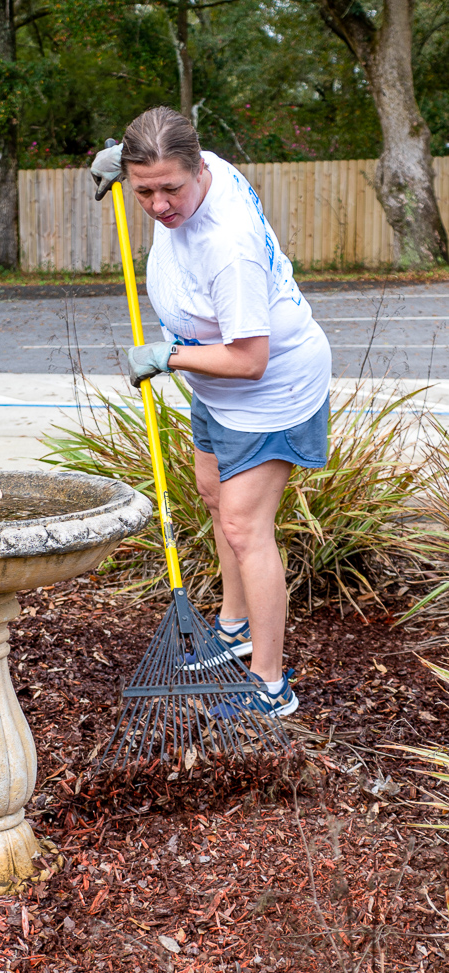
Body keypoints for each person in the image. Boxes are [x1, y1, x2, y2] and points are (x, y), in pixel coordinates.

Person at [91, 107, 331, 718]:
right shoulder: (196, 162)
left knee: (247, 528)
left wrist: (169, 356)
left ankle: (271, 685)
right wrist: (121, 164)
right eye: (143, 190)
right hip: (213, 382)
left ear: (199, 170)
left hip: (268, 389)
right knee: (214, 498)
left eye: (171, 188)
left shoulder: (229, 246)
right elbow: (158, 152)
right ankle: (234, 630)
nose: (158, 204)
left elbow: (251, 359)